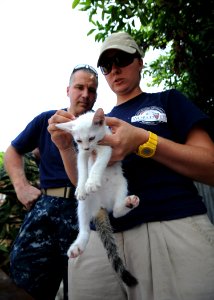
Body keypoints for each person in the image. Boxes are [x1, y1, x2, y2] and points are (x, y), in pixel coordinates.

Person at [48, 32, 214, 300]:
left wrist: (143, 140)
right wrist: (66, 146)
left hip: (167, 222)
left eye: (122, 59)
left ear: (139, 62)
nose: (115, 69)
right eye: (107, 66)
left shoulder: (167, 101)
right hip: (99, 237)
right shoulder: (97, 122)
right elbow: (85, 184)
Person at [3, 64, 98, 300]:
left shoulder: (102, 128)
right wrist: (21, 186)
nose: (85, 95)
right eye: (79, 87)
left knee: (84, 289)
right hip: (47, 208)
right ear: (68, 90)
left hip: (86, 213)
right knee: (23, 280)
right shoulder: (47, 120)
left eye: (92, 90)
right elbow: (13, 151)